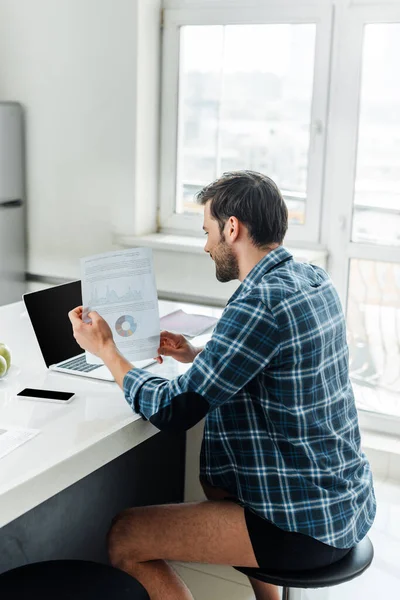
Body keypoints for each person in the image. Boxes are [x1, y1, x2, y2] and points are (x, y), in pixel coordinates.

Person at [69, 171, 376, 600]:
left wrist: (107, 351)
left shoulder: (259, 301)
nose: (206, 246)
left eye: (208, 231)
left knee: (126, 537)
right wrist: (196, 354)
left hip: (307, 528)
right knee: (221, 482)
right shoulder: (311, 280)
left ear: (232, 228)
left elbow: (174, 410)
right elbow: (275, 357)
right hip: (346, 504)